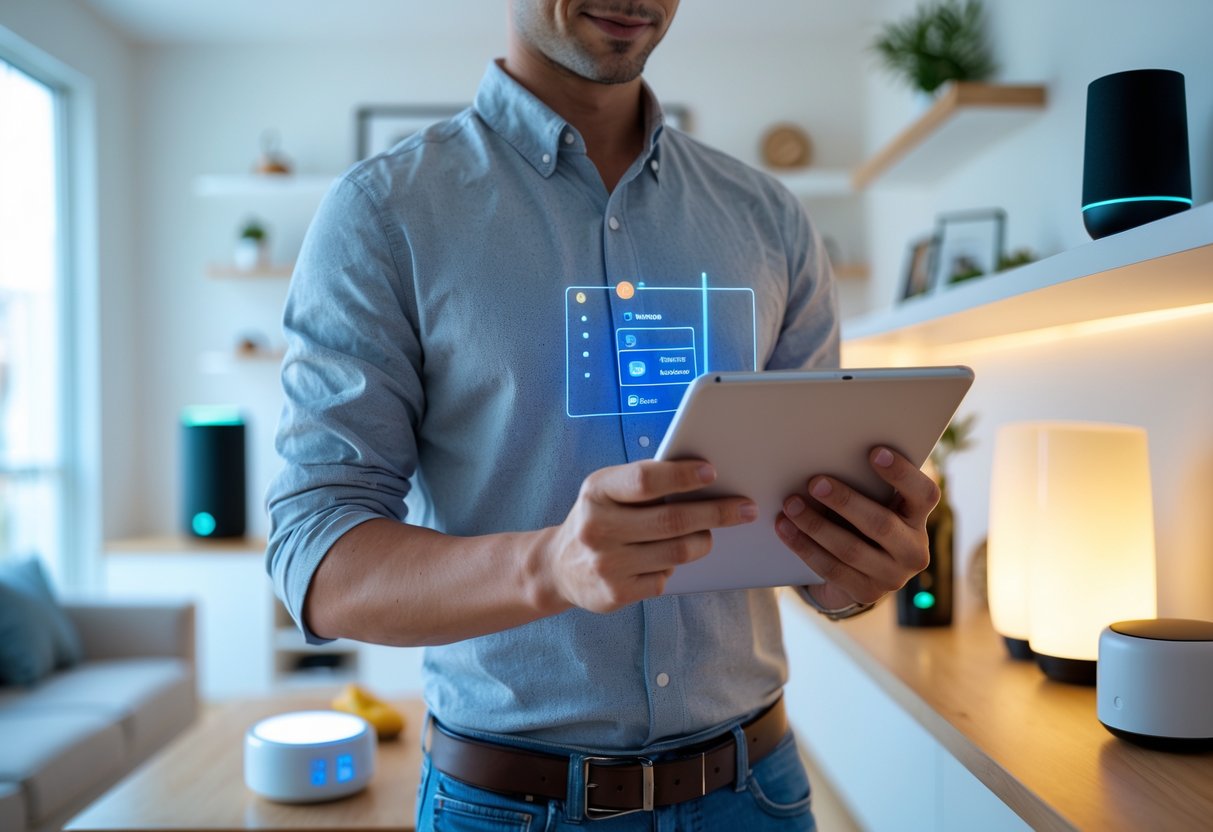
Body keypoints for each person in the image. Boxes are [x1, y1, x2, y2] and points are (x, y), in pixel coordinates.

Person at [266, 1, 938, 828]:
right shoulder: (383, 212)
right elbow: (315, 555)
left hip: (756, 791)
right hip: (508, 807)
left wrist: (853, 568)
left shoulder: (769, 219)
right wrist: (549, 565)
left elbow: (811, 561)